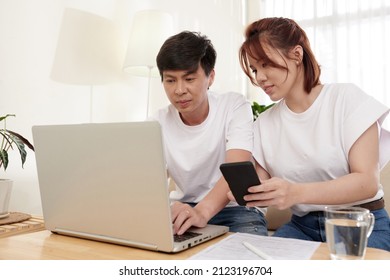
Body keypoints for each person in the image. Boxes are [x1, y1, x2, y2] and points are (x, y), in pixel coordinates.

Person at [236, 17, 390, 250]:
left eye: (265, 64)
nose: (260, 77)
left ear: (297, 54)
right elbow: (262, 183)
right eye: (255, 69)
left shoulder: (346, 99)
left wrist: (296, 192)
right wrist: (248, 192)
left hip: (359, 225)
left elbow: (367, 182)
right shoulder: (264, 124)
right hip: (302, 228)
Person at [153, 31, 268, 236]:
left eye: (189, 78)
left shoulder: (234, 105)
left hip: (235, 209)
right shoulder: (158, 121)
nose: (179, 90)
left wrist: (202, 212)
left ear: (210, 77)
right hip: (184, 208)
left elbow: (236, 169)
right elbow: (148, 181)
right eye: (170, 80)